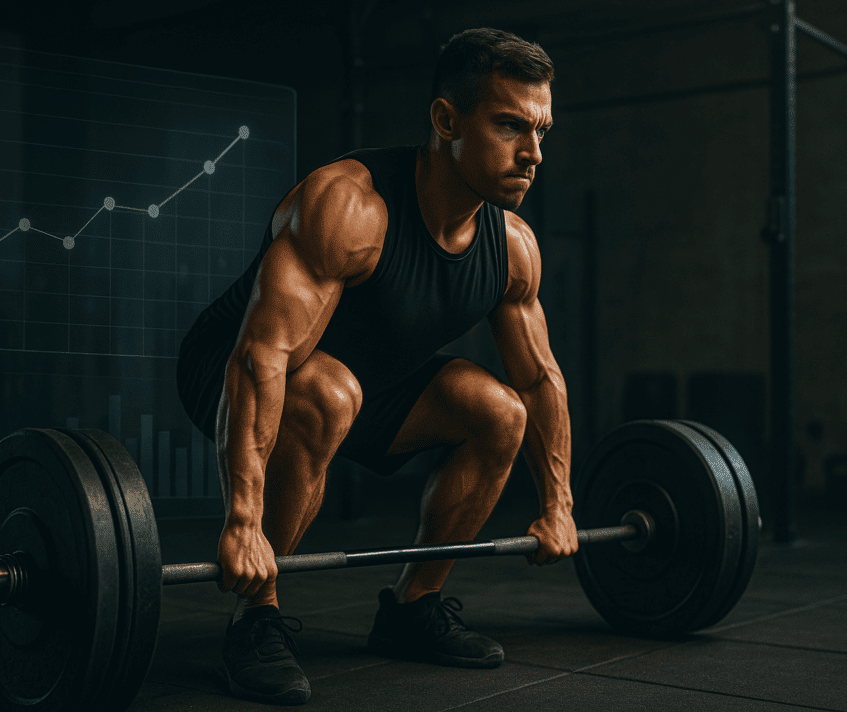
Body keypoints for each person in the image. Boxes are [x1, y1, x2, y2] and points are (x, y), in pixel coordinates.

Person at [176, 27, 578, 706]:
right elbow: (262, 356)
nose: (533, 153)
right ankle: (257, 616)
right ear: (446, 120)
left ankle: (412, 609)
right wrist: (243, 522)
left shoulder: (512, 247)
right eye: (511, 126)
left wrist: (559, 505)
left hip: (373, 387)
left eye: (540, 130)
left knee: (501, 411)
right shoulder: (350, 206)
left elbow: (540, 380)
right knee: (329, 391)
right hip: (235, 370)